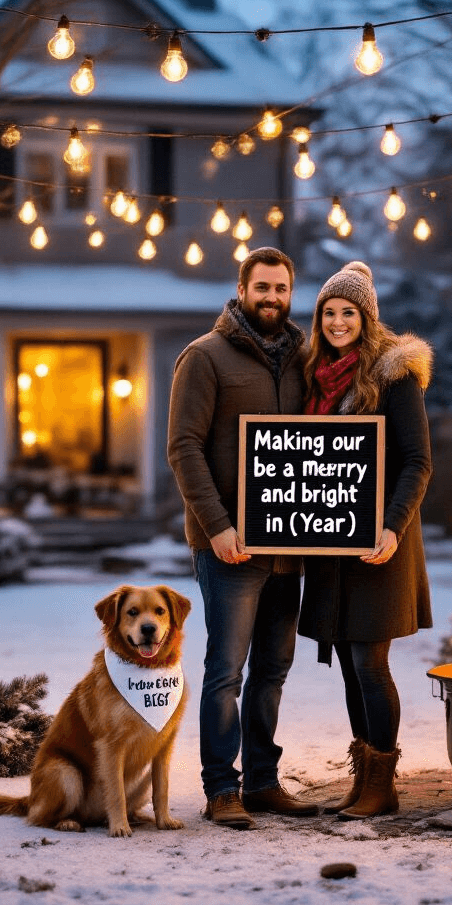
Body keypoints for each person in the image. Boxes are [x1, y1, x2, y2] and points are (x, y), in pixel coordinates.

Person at [167, 246, 319, 829]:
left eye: (281, 288)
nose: (272, 298)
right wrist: (219, 528)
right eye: (263, 288)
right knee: (226, 670)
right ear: (243, 289)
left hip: (291, 545)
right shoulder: (204, 358)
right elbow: (183, 449)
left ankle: (261, 782)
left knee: (273, 668)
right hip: (229, 546)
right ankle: (220, 788)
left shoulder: (307, 360)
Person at [298, 260, 433, 820]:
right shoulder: (318, 379)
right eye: (328, 312)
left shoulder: (394, 377)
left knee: (369, 663)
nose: (336, 322)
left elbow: (418, 462)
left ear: (366, 317)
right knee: (352, 666)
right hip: (333, 547)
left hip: (380, 543)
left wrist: (392, 526)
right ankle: (364, 778)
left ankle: (384, 784)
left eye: (347, 312)